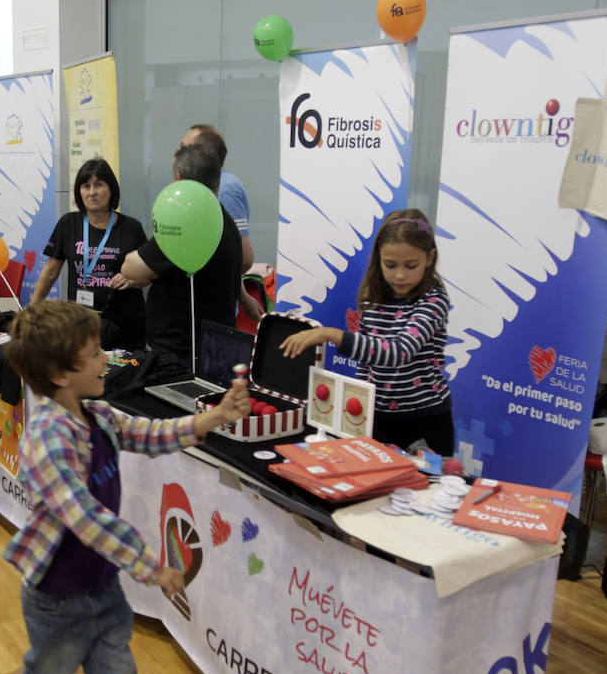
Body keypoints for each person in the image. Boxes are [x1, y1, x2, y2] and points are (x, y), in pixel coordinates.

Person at [0, 298, 251, 674]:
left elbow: (148, 435)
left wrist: (212, 418)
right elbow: (85, 518)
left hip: (102, 587)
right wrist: (151, 565)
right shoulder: (47, 440)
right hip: (57, 595)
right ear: (61, 374)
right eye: (94, 353)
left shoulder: (98, 414)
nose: (106, 359)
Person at [279, 209, 455, 456]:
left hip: (426, 423)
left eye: (411, 265)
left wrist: (332, 335)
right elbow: (367, 363)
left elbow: (399, 352)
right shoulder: (372, 299)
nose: (400, 275)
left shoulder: (433, 301)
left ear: (430, 258)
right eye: (390, 265)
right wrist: (360, 407)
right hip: (377, 419)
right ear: (378, 259)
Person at [117, 144, 243, 362]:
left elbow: (130, 268)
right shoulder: (224, 220)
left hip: (180, 356)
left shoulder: (187, 223)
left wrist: (149, 274)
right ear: (218, 180)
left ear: (178, 178)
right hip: (217, 348)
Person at [32, 158, 148, 350]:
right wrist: (32, 311)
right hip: (81, 324)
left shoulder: (131, 227)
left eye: (99, 185)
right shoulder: (68, 223)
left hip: (126, 326)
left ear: (111, 189)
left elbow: (149, 275)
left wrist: (132, 279)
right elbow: (51, 271)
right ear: (79, 191)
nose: (92, 192)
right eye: (86, 186)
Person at [178, 124, 263, 323]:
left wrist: (240, 295)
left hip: (212, 311)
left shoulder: (225, 189)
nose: (177, 153)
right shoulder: (197, 188)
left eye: (184, 148)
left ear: (203, 153)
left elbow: (243, 257)